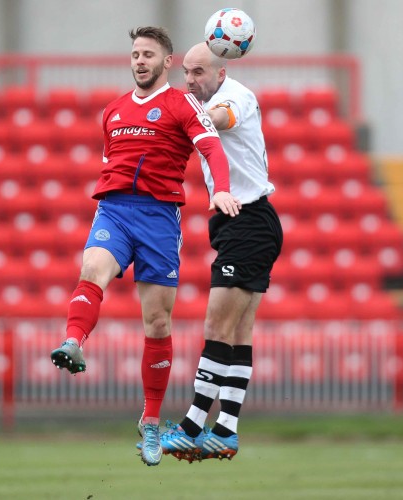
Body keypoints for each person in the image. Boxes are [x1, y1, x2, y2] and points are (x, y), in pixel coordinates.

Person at [49, 27, 241, 466]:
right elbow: (108, 161)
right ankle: (74, 341)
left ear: (166, 62)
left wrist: (221, 189)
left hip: (158, 218)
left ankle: (151, 419)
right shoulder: (112, 111)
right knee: (92, 268)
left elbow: (212, 148)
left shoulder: (182, 104)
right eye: (135, 54)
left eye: (148, 54)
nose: (139, 61)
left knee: (156, 322)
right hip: (114, 210)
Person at [158, 43, 283, 462]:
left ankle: (193, 425)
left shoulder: (234, 97)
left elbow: (219, 119)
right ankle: (226, 428)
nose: (190, 80)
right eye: (186, 73)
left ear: (221, 73)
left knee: (216, 324)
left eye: (198, 72)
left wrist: (191, 118)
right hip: (248, 223)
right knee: (238, 332)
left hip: (247, 221)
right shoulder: (211, 97)